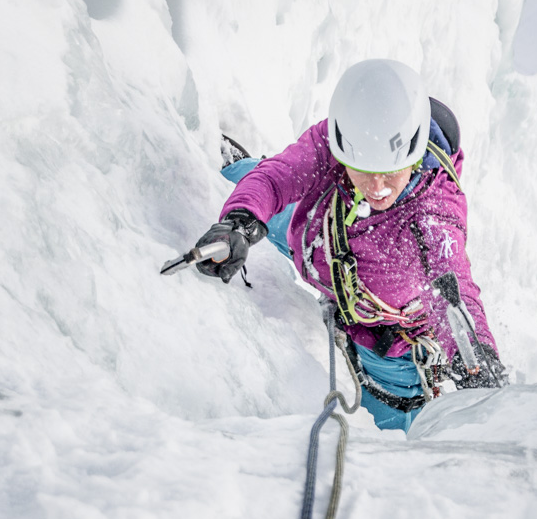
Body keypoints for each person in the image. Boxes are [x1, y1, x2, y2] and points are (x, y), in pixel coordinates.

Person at [192, 59, 505, 431]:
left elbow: (454, 292)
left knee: (394, 426)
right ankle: (238, 168)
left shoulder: (432, 215)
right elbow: (279, 178)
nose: (377, 188)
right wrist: (238, 223)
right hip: (312, 238)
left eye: (390, 171)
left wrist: (475, 357)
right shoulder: (341, 143)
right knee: (261, 197)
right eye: (363, 171)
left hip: (385, 339)